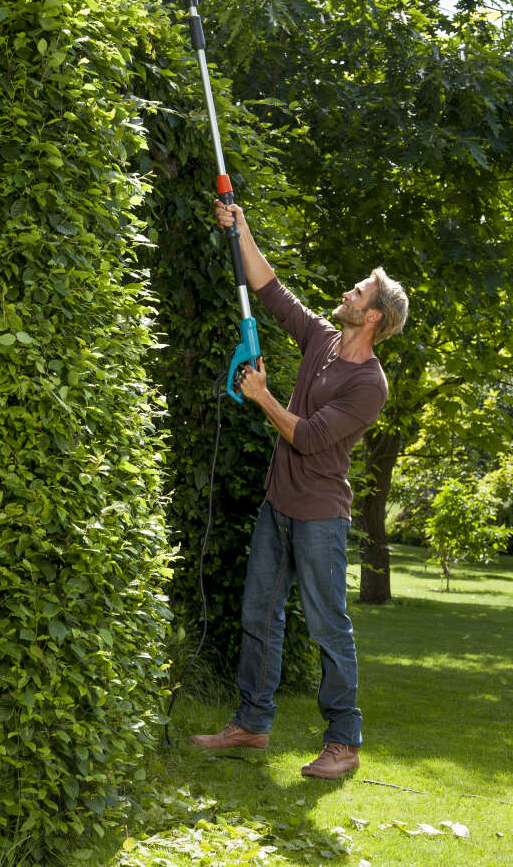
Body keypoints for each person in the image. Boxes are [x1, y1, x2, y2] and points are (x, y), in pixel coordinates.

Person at [189, 199, 409, 778]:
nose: (349, 292)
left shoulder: (369, 384)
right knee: (259, 615)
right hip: (277, 505)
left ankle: (343, 741)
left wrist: (262, 395)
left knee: (327, 624)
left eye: (359, 292)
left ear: (373, 318)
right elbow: (270, 291)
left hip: (319, 517)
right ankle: (252, 724)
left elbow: (310, 438)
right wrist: (242, 230)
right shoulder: (323, 340)